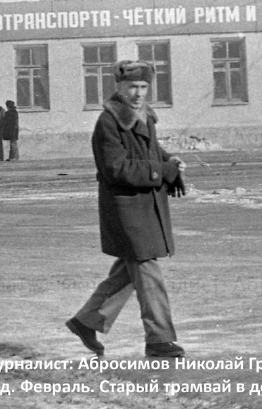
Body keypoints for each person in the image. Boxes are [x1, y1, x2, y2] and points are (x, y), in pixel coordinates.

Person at [65, 61, 187, 359]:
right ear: (118, 87)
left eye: (144, 87)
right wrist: (162, 171)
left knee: (129, 271)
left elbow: (150, 152)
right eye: (132, 86)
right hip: (127, 209)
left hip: (145, 206)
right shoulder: (108, 122)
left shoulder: (145, 116)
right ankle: (159, 338)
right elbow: (116, 169)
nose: (138, 93)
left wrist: (170, 160)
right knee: (147, 271)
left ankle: (87, 320)